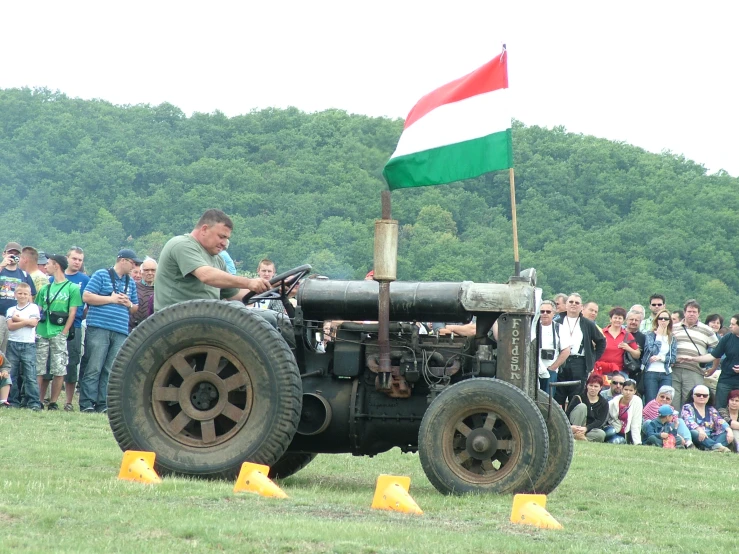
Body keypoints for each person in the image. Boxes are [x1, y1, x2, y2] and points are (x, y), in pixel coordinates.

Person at [154, 209, 270, 311]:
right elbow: (206, 275)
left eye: (227, 239)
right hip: (175, 320)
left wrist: (271, 287)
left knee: (270, 317)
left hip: (204, 319)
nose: (224, 244)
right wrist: (248, 282)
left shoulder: (217, 259)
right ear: (204, 229)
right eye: (221, 237)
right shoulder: (181, 244)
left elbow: (237, 295)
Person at [79, 249, 140, 413]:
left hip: (120, 330)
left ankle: (102, 403)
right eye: (133, 262)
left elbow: (135, 308)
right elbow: (86, 296)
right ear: (122, 260)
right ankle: (87, 403)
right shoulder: (101, 274)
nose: (135, 266)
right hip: (99, 327)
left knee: (109, 369)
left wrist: (128, 304)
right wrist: (111, 299)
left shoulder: (131, 282)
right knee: (94, 366)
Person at [35, 254, 82, 411]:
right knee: (40, 367)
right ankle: (38, 400)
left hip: (59, 331)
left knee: (59, 367)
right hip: (42, 331)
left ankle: (53, 402)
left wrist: (64, 332)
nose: (45, 266)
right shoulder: (45, 289)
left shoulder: (72, 288)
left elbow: (73, 312)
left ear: (56, 266)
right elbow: (38, 310)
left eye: (48, 264)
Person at [554, 293, 606, 408]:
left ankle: (573, 423)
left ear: (581, 307)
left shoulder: (587, 324)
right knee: (558, 394)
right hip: (560, 361)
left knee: (576, 396)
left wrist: (592, 358)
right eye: (571, 302)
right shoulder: (557, 321)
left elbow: (601, 342)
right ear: (566, 305)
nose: (573, 305)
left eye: (577, 303)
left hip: (579, 362)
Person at [680, 314, 739, 409]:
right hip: (726, 379)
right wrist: (693, 358)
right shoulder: (728, 338)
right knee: (720, 407)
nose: (730, 326)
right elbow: (713, 355)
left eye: (733, 324)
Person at [671, 300, 719, 410]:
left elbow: (718, 350)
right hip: (675, 369)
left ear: (699, 313)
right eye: (689, 311)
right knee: (673, 401)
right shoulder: (674, 327)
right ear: (684, 312)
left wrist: (713, 367)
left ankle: (690, 426)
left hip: (694, 370)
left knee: (690, 402)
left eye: (694, 311)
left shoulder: (707, 330)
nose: (691, 314)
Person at [59, 246, 90, 411]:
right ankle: (49, 398)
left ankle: (69, 402)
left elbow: (88, 303)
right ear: (67, 258)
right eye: (74, 259)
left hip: (76, 326)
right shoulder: (57, 277)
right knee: (53, 362)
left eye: (80, 259)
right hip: (55, 324)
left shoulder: (85, 280)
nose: (77, 262)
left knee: (72, 362)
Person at [5, 283, 42, 410]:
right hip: (12, 343)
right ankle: (13, 401)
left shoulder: (33, 308)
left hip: (28, 344)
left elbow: (34, 323)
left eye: (25, 294)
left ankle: (34, 402)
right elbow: (10, 326)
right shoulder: (11, 310)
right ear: (15, 294)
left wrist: (18, 320)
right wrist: (25, 321)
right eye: (20, 293)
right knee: (12, 374)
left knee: (30, 375)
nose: (22, 296)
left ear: (29, 295)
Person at [0, 242, 37, 353]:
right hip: (1, 316)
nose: (13, 256)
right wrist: (2, 265)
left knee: (10, 354)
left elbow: (30, 298)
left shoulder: (24, 275)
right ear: (4, 254)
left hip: (17, 319)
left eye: (16, 254)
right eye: (10, 253)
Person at [641, 308, 677, 403]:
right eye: (661, 318)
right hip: (651, 372)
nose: (663, 321)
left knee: (666, 401)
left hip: (666, 373)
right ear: (657, 320)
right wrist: (659, 336)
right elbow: (652, 352)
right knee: (651, 401)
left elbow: (673, 358)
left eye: (666, 318)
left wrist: (661, 358)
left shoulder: (672, 338)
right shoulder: (650, 335)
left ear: (669, 321)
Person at [680, 385, 732, 452]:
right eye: (698, 395)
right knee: (694, 432)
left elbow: (720, 420)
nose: (701, 397)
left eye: (705, 395)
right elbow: (689, 422)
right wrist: (700, 430)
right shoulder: (687, 407)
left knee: (726, 433)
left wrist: (729, 430)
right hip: (698, 436)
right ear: (693, 396)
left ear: (708, 397)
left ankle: (712, 448)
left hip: (711, 436)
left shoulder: (711, 409)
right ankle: (716, 447)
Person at [594, 307, 640, 378]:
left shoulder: (627, 335)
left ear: (623, 321)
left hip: (619, 372)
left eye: (620, 318)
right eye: (615, 318)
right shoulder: (601, 333)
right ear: (610, 319)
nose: (617, 320)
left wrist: (628, 348)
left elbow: (637, 355)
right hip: (600, 370)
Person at [537, 300, 571, 393]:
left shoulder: (560, 328)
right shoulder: (532, 327)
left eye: (548, 312)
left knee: (547, 399)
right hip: (534, 369)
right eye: (542, 311)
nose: (545, 314)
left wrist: (553, 367)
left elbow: (566, 351)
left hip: (550, 369)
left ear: (554, 313)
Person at [566, 374, 608, 442]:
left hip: (588, 430)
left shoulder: (604, 403)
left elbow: (600, 421)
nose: (593, 388)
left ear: (600, 388)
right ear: (587, 385)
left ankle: (579, 438)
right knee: (582, 406)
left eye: (596, 386)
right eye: (591, 385)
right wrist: (571, 427)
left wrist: (586, 428)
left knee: (601, 434)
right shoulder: (578, 398)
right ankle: (575, 435)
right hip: (574, 426)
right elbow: (567, 414)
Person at [605, 379, 643, 445]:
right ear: (622, 390)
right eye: (626, 389)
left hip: (624, 432)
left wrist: (637, 442)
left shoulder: (637, 402)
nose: (628, 392)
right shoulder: (612, 403)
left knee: (619, 441)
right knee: (611, 432)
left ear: (634, 391)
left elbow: (636, 423)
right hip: (612, 428)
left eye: (631, 390)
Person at [130, 257, 157, 332]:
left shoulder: (161, 290)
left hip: (152, 331)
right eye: (146, 270)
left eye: (153, 270)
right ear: (141, 272)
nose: (150, 273)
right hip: (131, 330)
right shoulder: (133, 287)